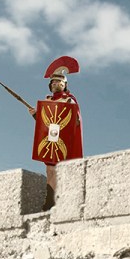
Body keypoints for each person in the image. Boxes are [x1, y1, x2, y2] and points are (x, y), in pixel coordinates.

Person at [33, 56, 82, 209]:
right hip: (51, 140)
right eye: (53, 83)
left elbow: (74, 121)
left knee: (59, 170)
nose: (55, 84)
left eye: (58, 82)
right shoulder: (48, 102)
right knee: (49, 169)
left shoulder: (69, 100)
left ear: (64, 84)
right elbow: (46, 124)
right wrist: (36, 115)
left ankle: (57, 200)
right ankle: (50, 199)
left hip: (63, 142)